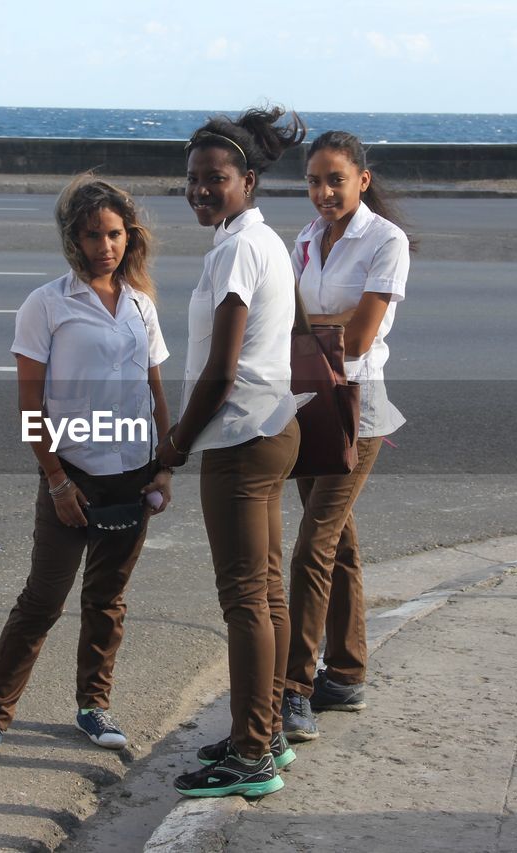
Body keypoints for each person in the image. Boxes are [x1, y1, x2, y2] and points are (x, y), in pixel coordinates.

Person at [0, 176, 172, 767]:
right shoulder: (47, 304)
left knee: (108, 599)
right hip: (72, 471)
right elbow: (30, 405)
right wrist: (56, 479)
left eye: (115, 234)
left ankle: (93, 706)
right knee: (42, 600)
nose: (106, 246)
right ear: (73, 240)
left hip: (132, 472)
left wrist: (164, 467)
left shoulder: (139, 305)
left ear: (130, 236)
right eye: (93, 235)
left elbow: (155, 391)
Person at [157, 106, 306, 798]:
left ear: (248, 179)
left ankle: (252, 752)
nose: (200, 190)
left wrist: (177, 444)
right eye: (192, 179)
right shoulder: (260, 241)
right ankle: (264, 729)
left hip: (241, 437)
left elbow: (220, 367)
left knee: (246, 597)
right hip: (272, 428)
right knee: (266, 591)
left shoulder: (236, 250)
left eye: (214, 179)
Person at [280, 130, 412, 742]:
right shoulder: (306, 239)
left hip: (358, 409)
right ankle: (349, 672)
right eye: (313, 181)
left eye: (336, 179)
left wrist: (309, 328)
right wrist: (311, 328)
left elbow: (357, 339)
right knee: (341, 546)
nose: (324, 192)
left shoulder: (386, 240)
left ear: (363, 178)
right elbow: (289, 321)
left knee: (314, 546)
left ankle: (296, 687)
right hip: (311, 404)